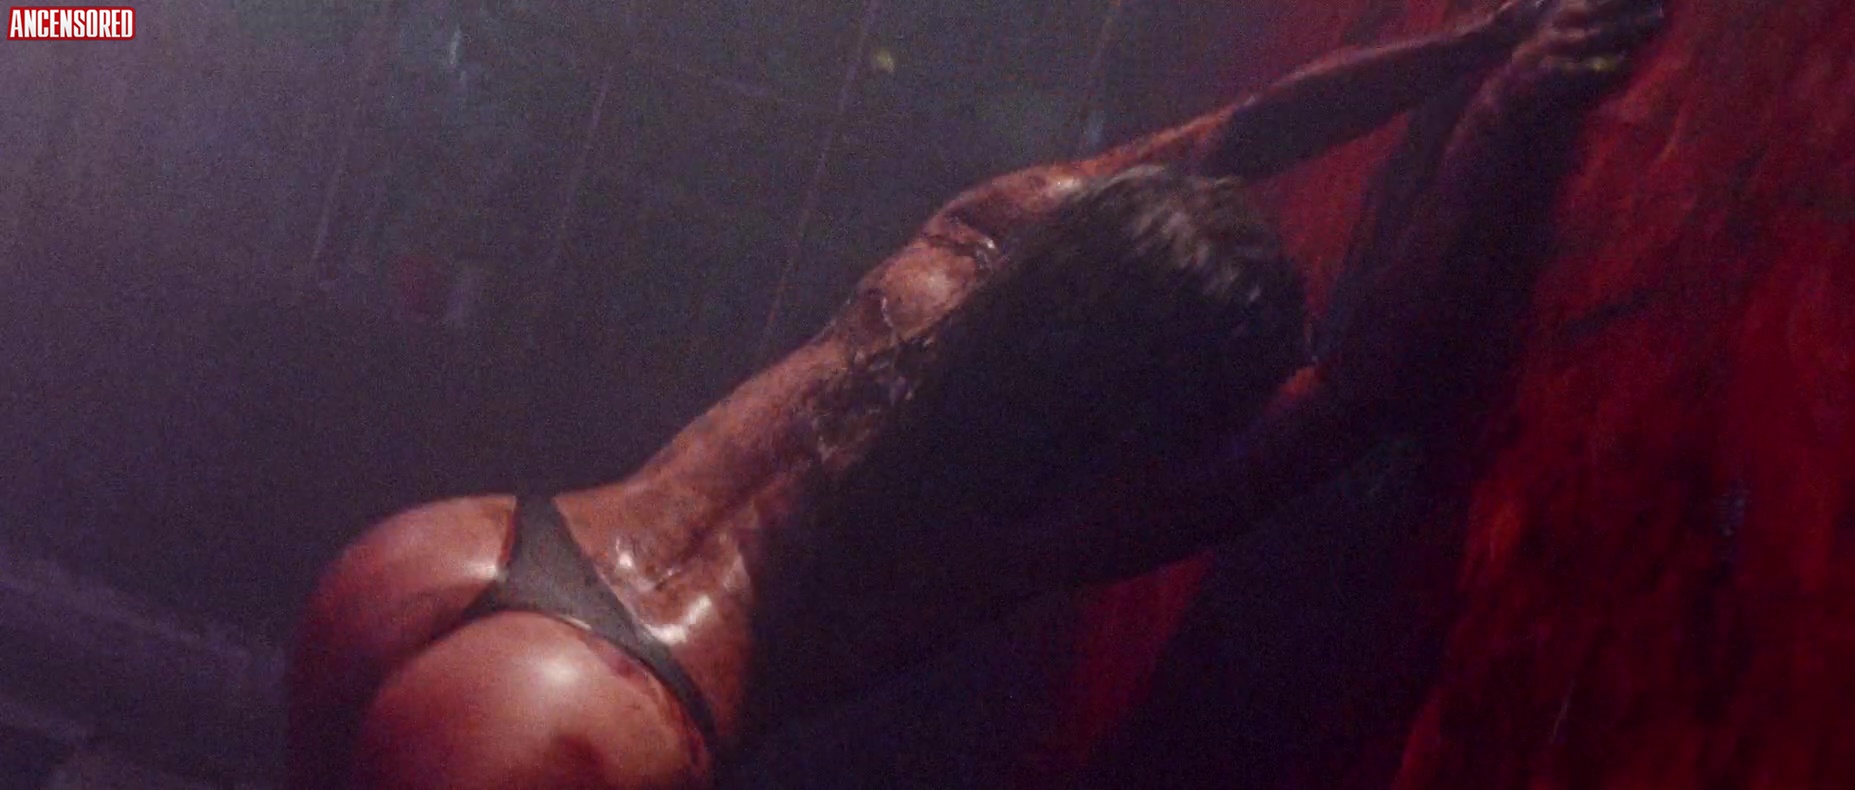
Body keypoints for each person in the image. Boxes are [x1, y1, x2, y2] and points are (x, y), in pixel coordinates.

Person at [288, 1, 1665, 787]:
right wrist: (1504, 116)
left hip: (459, 546)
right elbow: (1364, 383)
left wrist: (1467, 45)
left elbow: (1247, 130)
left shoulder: (971, 239)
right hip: (597, 708)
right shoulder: (1063, 507)